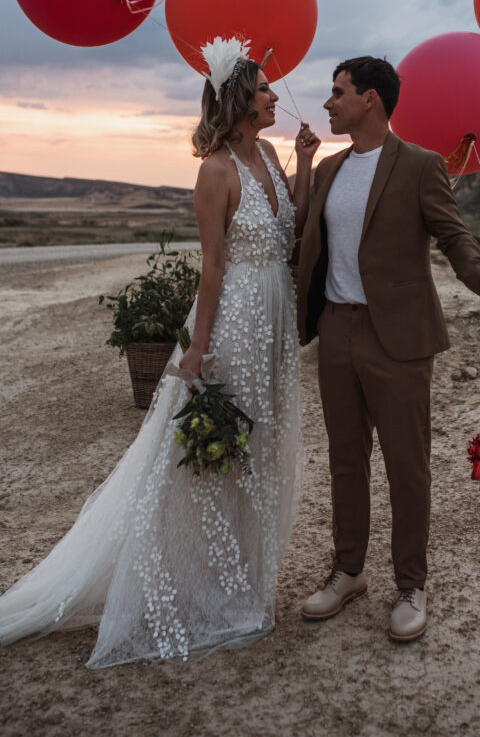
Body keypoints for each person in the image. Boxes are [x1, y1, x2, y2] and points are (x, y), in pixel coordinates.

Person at [0, 39, 320, 666]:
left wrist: (305, 163)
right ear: (239, 101)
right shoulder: (215, 171)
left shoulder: (268, 158)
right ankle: (208, 589)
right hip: (233, 326)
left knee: (259, 450)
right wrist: (197, 351)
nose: (274, 96)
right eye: (263, 89)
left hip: (275, 320)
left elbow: (292, 228)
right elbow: (213, 268)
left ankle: (244, 582)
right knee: (221, 457)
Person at [297, 56, 480, 642]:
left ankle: (410, 586)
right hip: (336, 330)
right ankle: (348, 572)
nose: (329, 102)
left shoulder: (420, 165)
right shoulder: (329, 169)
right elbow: (308, 244)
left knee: (406, 466)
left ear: (370, 98)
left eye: (338, 92)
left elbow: (452, 235)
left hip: (397, 338)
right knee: (346, 460)